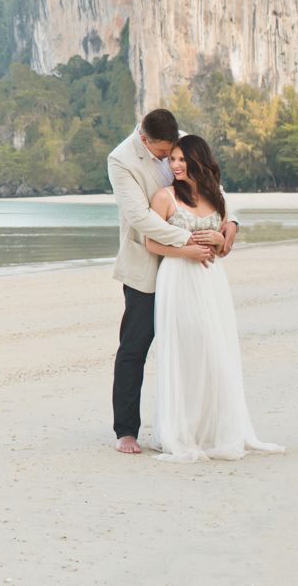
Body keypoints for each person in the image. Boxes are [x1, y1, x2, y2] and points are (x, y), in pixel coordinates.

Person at [143, 135, 284, 462]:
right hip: (177, 277)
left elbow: (223, 248)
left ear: (197, 160)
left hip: (210, 281)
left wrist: (221, 238)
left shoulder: (216, 196)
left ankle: (212, 431)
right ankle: (181, 431)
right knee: (185, 351)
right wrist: (186, 250)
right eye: (172, 159)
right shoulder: (164, 198)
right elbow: (151, 244)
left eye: (181, 159)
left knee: (214, 350)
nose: (175, 166)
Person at [106, 109, 235, 454]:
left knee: (198, 345)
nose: (170, 159)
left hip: (193, 274)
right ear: (145, 140)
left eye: (174, 151)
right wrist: (188, 242)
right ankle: (126, 431)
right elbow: (140, 218)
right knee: (135, 347)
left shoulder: (177, 142)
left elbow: (211, 184)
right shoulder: (121, 160)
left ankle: (198, 424)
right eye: (164, 153)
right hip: (148, 264)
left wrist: (231, 222)